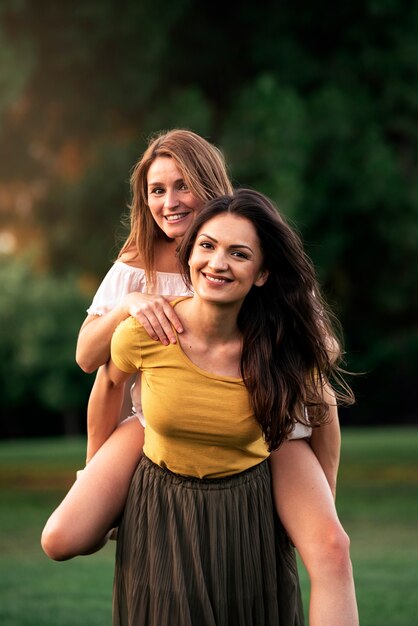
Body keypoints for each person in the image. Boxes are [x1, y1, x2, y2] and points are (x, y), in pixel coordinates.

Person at [42, 133, 359, 625]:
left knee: (330, 547)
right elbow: (94, 365)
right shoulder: (135, 267)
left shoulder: (250, 252)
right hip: (159, 415)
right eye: (156, 190)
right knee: (64, 537)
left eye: (183, 186)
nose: (169, 202)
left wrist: (324, 497)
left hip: (266, 416)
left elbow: (320, 387)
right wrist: (131, 305)